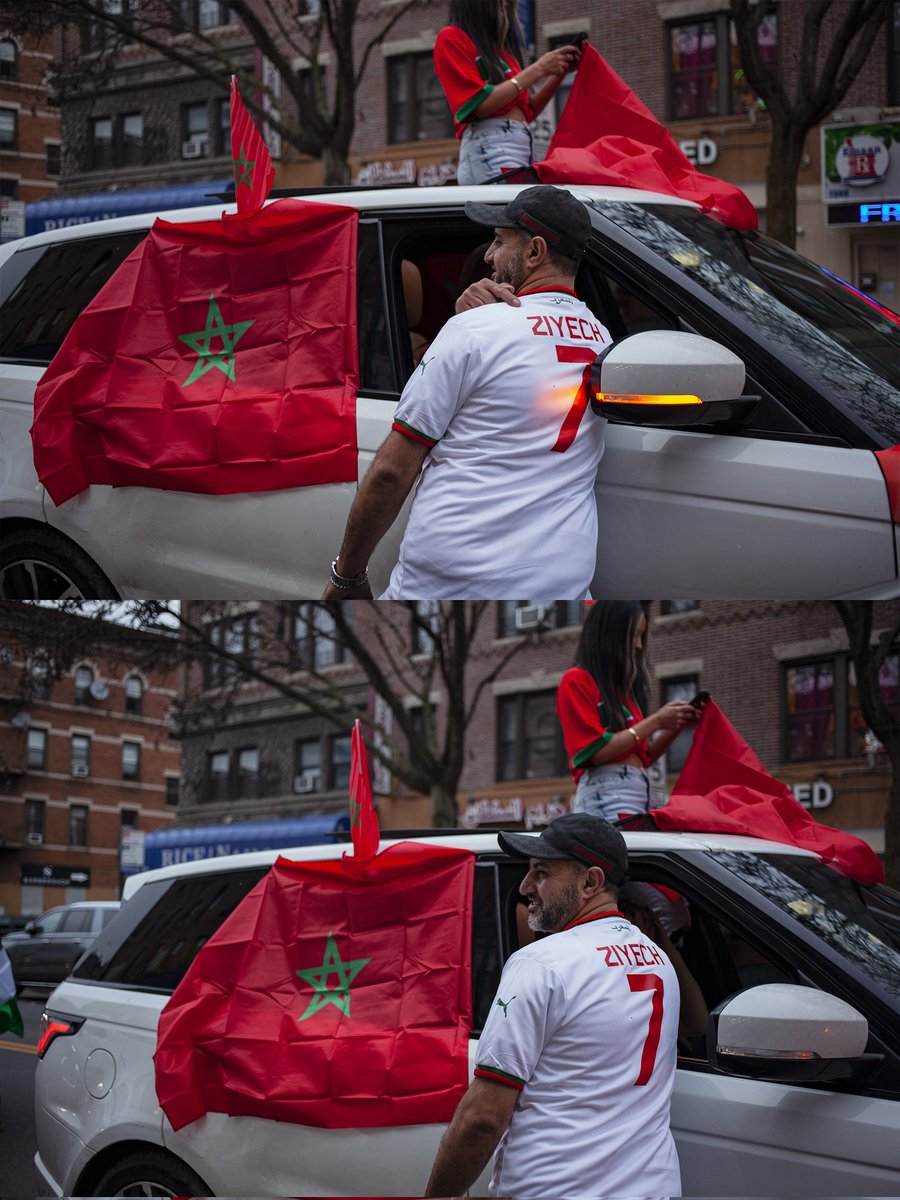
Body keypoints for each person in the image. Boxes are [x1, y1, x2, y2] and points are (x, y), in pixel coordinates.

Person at [322, 185, 610, 600]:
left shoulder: (473, 330)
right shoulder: (603, 340)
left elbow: (390, 471)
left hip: (446, 585)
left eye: (497, 242)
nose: (488, 257)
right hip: (562, 585)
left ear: (534, 252)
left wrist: (346, 576)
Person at [424, 812, 681, 1200]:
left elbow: (482, 1120)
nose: (526, 886)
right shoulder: (657, 958)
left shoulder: (542, 963)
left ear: (590, 882)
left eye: (541, 873)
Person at [557, 601, 703, 823]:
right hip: (605, 796)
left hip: (640, 792)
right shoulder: (576, 680)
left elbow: (643, 757)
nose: (637, 646)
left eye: (641, 637)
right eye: (634, 636)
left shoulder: (625, 694)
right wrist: (656, 722)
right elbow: (593, 750)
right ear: (612, 635)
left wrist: (678, 723)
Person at [434, 1, 582, 184]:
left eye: (507, 6)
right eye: (500, 5)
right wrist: (539, 68)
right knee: (512, 210)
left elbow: (527, 110)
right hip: (490, 147)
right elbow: (479, 105)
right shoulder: (451, 38)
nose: (505, 12)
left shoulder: (501, 52)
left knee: (524, 209)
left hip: (522, 146)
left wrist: (560, 73)